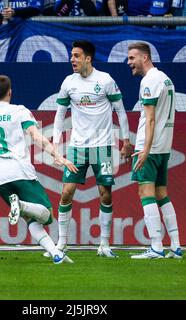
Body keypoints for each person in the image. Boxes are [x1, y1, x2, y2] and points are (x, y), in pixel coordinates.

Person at [0, 75, 78, 264]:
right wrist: (57, 155)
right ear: (10, 92)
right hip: (18, 169)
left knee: (31, 219)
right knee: (46, 213)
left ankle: (56, 254)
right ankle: (19, 205)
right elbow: (36, 137)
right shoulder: (19, 111)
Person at [51, 40, 133, 258]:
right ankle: (61, 244)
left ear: (88, 58)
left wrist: (125, 140)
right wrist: (55, 144)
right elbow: (60, 115)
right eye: (72, 55)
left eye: (77, 56)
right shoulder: (69, 82)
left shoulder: (105, 80)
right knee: (67, 192)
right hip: (77, 148)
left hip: (103, 147)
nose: (72, 59)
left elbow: (121, 112)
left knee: (105, 194)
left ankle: (104, 245)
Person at [126, 42, 182, 260]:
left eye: (132, 58)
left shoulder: (149, 81)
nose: (129, 63)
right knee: (161, 194)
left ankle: (156, 246)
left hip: (149, 146)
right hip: (164, 145)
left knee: (145, 193)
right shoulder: (165, 78)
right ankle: (175, 245)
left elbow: (149, 119)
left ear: (145, 58)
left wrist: (145, 150)